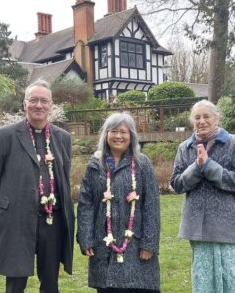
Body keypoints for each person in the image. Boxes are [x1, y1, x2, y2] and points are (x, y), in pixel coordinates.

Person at [0, 78, 75, 293]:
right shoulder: (5, 135)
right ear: (24, 104)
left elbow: (64, 175)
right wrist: (11, 201)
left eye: (44, 101)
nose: (39, 105)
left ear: (51, 106)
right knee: (15, 283)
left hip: (52, 220)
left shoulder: (62, 138)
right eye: (33, 100)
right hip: (17, 218)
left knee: (51, 283)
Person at [77, 112, 160, 293]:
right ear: (106, 135)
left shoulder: (142, 163)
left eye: (124, 132)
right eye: (113, 131)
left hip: (137, 247)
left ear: (131, 136)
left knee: (136, 285)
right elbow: (86, 204)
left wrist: (149, 243)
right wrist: (86, 238)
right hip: (104, 245)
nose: (118, 136)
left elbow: (151, 205)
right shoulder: (95, 165)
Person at [170, 99, 235, 292]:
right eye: (197, 117)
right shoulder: (185, 147)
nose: (202, 121)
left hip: (227, 225)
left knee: (229, 277)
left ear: (217, 119)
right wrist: (197, 167)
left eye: (206, 116)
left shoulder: (232, 143)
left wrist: (209, 166)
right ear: (192, 121)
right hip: (196, 225)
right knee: (202, 280)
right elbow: (176, 184)